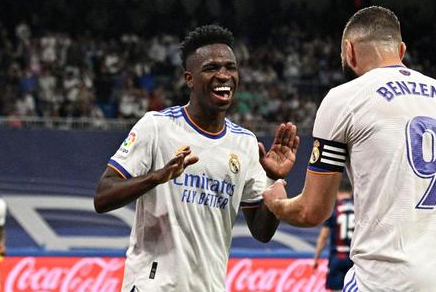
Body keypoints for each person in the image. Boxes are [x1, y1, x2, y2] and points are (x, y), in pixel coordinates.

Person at [263, 6, 436, 292]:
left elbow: (312, 212)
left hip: (386, 280)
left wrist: (276, 203)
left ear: (349, 51)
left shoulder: (344, 99)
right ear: (401, 50)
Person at [94, 25, 299, 292]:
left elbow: (262, 232)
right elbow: (103, 196)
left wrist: (274, 179)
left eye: (230, 67)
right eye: (211, 68)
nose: (223, 75)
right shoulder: (157, 126)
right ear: (189, 79)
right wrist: (156, 177)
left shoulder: (245, 142)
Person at [312, 177, 354, 292]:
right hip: (355, 259)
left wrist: (316, 258)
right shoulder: (358, 210)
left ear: (337, 191)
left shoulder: (333, 209)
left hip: (337, 257)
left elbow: (323, 237)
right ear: (351, 192)